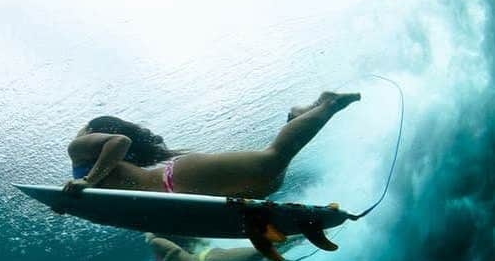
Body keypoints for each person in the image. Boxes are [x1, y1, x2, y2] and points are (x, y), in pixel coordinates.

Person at [64, 91, 361, 199]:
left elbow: (120, 140)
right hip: (177, 184)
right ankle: (296, 118)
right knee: (270, 184)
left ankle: (328, 103)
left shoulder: (77, 147)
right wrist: (74, 201)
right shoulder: (90, 171)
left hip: (175, 181)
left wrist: (88, 181)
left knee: (271, 163)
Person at [142, 233, 300, 261]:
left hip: (211, 258)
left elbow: (174, 251)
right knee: (262, 253)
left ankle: (302, 234)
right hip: (209, 260)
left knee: (261, 250)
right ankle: (300, 238)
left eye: (145, 234)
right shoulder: (157, 249)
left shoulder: (155, 241)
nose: (144, 236)